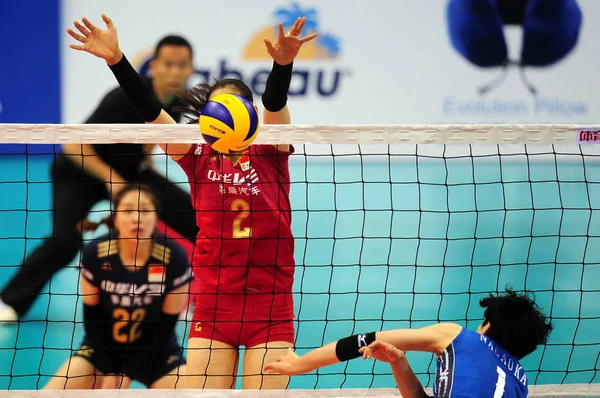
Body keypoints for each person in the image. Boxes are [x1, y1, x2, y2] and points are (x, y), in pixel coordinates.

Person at [67, 13, 316, 390]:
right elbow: (150, 111)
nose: (223, 116)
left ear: (250, 116)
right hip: (215, 304)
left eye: (233, 107)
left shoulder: (271, 150)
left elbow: (275, 103)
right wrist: (116, 60)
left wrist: (283, 65)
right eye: (216, 108)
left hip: (270, 305)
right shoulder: (196, 156)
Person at [0, 35, 197, 322]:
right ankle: (10, 301)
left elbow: (150, 141)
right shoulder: (123, 98)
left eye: (182, 65)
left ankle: (203, 296)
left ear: (191, 68)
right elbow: (74, 145)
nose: (175, 72)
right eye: (169, 64)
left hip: (129, 173)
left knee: (195, 216)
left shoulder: (178, 103)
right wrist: (113, 181)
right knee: (65, 241)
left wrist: (143, 172)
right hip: (79, 172)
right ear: (154, 66)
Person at [264, 288, 554, 398]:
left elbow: (365, 340)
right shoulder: (520, 381)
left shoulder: (459, 337)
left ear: (487, 326)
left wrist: (301, 364)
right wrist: (398, 361)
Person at [44, 184, 193, 390]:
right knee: (48, 394)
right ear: (115, 216)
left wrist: (128, 371)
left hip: (158, 352)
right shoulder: (95, 252)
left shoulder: (173, 256)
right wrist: (110, 368)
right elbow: (93, 317)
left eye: (145, 210)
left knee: (193, 392)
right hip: (101, 349)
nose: (137, 218)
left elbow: (166, 324)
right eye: (128, 210)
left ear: (157, 217)